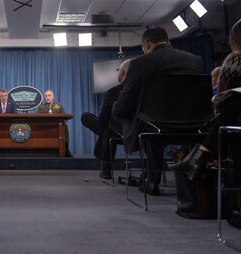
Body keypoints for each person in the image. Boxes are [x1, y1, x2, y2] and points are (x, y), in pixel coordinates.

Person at [111, 26, 204, 195]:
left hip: (156, 125)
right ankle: (192, 180)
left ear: (146, 44)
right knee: (152, 118)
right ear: (168, 41)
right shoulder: (195, 61)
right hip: (195, 124)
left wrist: (115, 109)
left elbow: (126, 102)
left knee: (139, 117)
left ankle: (152, 181)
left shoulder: (140, 63)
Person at [168, 19, 241, 229]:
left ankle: (199, 153)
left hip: (234, 121)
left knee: (229, 112)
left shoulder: (233, 61)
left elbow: (223, 95)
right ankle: (199, 153)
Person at [81, 59, 131, 179]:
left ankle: (106, 170)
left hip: (117, 133)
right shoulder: (145, 90)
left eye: (118, 70)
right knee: (108, 129)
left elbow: (103, 120)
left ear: (123, 72)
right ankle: (153, 179)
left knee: (91, 120)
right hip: (141, 132)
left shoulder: (113, 92)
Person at [37, 89, 72, 157]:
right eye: (46, 96)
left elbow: (64, 117)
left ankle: (66, 149)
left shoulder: (59, 105)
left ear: (53, 97)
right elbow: (37, 118)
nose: (47, 97)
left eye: (49, 95)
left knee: (65, 127)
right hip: (45, 126)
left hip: (57, 126)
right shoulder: (41, 107)